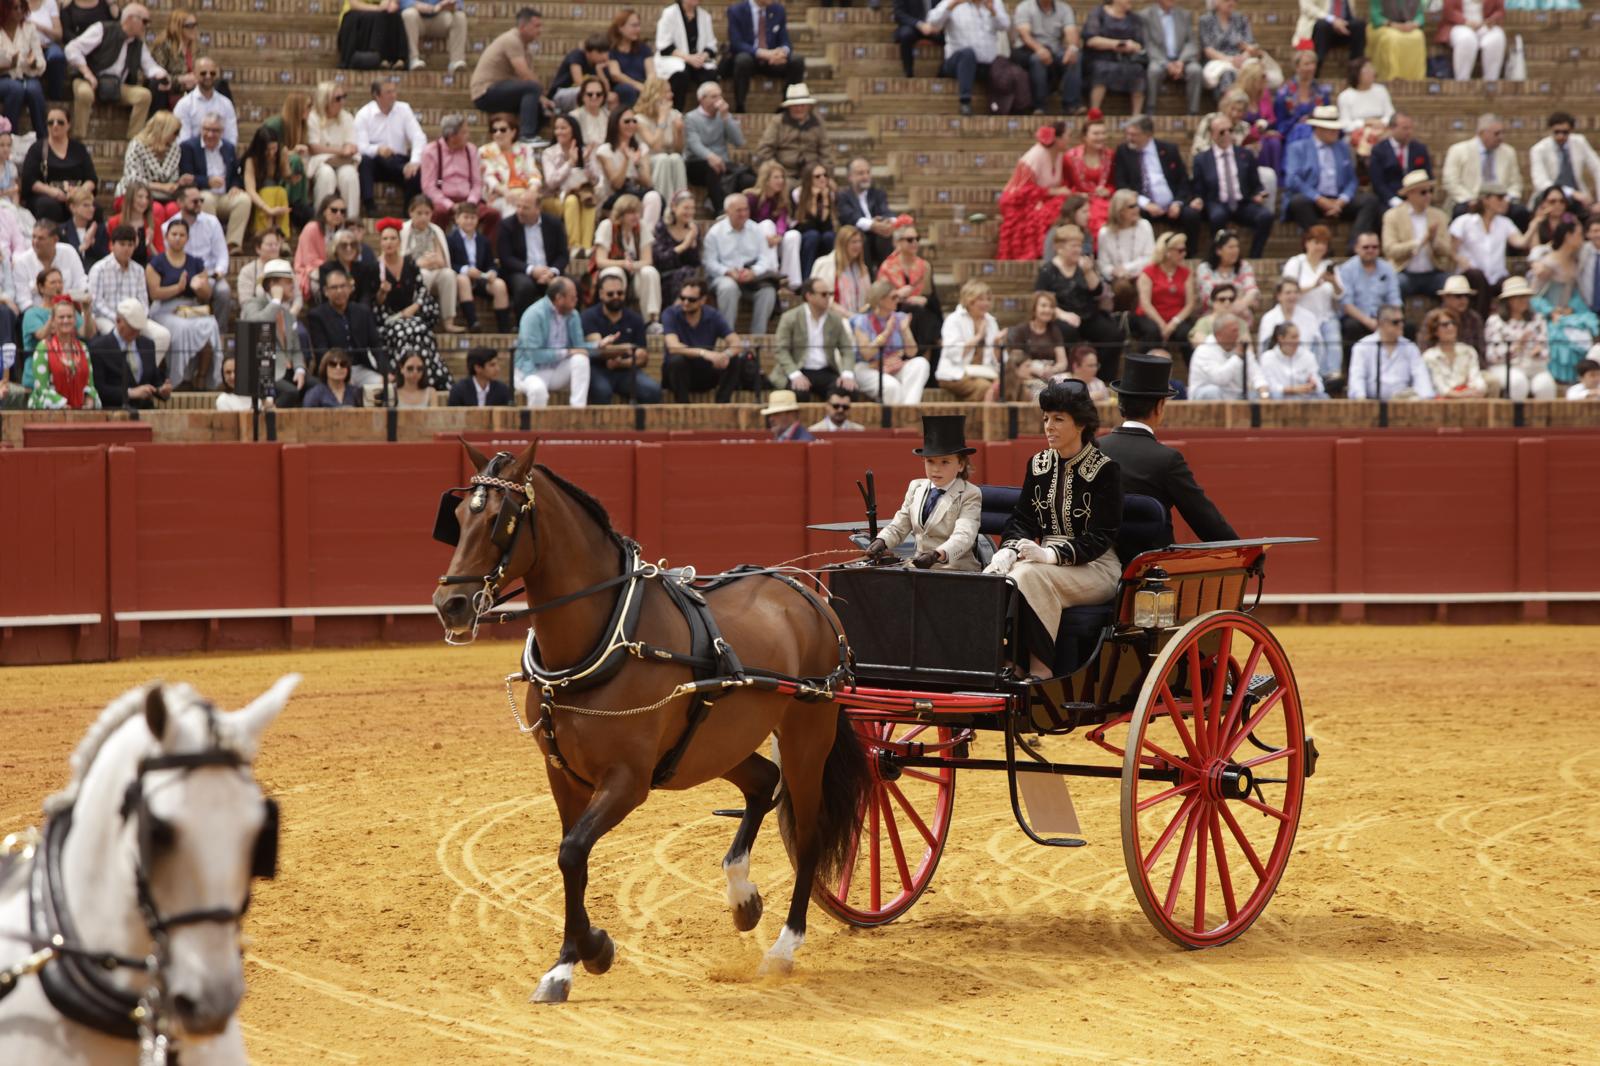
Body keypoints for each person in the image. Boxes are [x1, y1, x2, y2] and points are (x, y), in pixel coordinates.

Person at [984, 379, 1122, 677]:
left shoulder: (1104, 469)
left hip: (1097, 568)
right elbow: (1022, 519)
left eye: (1059, 419)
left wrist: (1050, 555)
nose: (1049, 426)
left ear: (1082, 423)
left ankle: (1036, 670)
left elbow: (1100, 537)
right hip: (1041, 560)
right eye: (1046, 418)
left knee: (1027, 574)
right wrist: (1008, 550)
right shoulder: (1038, 464)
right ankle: (1010, 666)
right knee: (1008, 574)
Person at [1097, 351, 1235, 550]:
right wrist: (1243, 550)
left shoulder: (1095, 449)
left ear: (1120, 406)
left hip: (1098, 561)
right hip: (1151, 567)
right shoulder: (1166, 459)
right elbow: (1204, 518)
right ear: (1160, 407)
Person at [866, 415, 983, 571]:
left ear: (961, 464)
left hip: (956, 570)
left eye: (945, 462)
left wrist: (937, 554)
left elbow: (964, 536)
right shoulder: (916, 487)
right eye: (930, 461)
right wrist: (882, 540)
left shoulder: (970, 493)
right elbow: (900, 525)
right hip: (918, 568)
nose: (936, 469)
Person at [65, 4, 169, 140]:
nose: (147, 26)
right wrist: (87, 73)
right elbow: (72, 48)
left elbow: (150, 67)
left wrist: (163, 75)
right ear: (131, 19)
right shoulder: (102, 29)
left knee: (144, 96)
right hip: (90, 81)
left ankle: (134, 140)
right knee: (84, 93)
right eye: (144, 21)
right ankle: (79, 138)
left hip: (116, 86)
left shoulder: (138, 44)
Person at [1282, 105, 1380, 245]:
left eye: (1336, 129)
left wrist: (1342, 200)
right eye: (1331, 129)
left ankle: (1355, 246)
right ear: (1319, 129)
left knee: (1370, 201)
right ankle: (1321, 245)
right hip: (1312, 199)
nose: (1335, 132)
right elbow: (1293, 180)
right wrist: (1320, 199)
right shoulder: (1298, 148)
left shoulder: (1343, 148)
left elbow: (1352, 179)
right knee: (1298, 202)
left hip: (1338, 199)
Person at [145, 215, 223, 390]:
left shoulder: (195, 262)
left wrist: (199, 287)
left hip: (191, 308)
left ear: (187, 238)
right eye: (174, 234)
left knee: (211, 325)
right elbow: (154, 292)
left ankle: (202, 376)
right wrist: (178, 288)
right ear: (167, 237)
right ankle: (178, 377)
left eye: (182, 235)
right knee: (181, 328)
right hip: (165, 310)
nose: (178, 238)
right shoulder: (156, 263)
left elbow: (207, 294)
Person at [1034, 222, 1123, 371]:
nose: (1078, 250)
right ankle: (1071, 376)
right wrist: (1063, 314)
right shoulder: (1047, 270)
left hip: (1088, 315)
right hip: (1061, 315)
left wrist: (1088, 272)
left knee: (1113, 334)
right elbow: (1040, 298)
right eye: (1073, 246)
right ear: (1059, 248)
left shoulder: (1084, 266)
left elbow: (1097, 291)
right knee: (1068, 332)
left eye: (1079, 245)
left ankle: (1101, 375)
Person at [374, 217, 450, 390]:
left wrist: (414, 307)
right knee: (405, 332)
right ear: (380, 242)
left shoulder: (409, 263)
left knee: (421, 330)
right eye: (385, 239)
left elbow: (422, 288)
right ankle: (403, 378)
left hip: (413, 314)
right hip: (389, 319)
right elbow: (375, 302)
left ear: (399, 241)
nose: (389, 242)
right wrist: (382, 293)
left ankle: (431, 377)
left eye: (393, 238)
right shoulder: (375, 267)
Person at [659, 273, 758, 402]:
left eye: (691, 300)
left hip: (705, 374)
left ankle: (722, 404)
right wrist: (704, 353)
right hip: (677, 376)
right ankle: (683, 407)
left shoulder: (712, 315)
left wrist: (725, 355)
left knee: (734, 360)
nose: (685, 302)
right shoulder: (670, 313)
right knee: (676, 361)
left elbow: (736, 343)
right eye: (682, 298)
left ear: (703, 300)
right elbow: (673, 347)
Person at [1112, 115, 1201, 250]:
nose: (1130, 138)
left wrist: (1177, 203)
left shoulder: (1169, 149)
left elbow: (1183, 180)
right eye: (1128, 134)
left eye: (1134, 135)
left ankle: (1189, 254)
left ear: (1148, 134)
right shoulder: (1123, 151)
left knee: (1192, 215)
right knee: (1130, 214)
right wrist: (1145, 204)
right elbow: (1122, 184)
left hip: (1172, 205)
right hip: (1143, 205)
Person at [1448, 181, 1534, 319]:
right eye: (1499, 198)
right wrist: (1459, 259)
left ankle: (1513, 324)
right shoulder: (1464, 222)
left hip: (1496, 276)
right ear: (1486, 200)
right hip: (1472, 276)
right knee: (1478, 278)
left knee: (1511, 285)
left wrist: (1535, 223)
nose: (1504, 202)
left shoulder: (1505, 223)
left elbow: (1521, 243)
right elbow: (1451, 249)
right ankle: (1481, 323)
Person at [1529, 219, 1599, 385]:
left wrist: (1571, 309)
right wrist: (1551, 311)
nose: (1582, 238)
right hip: (1549, 314)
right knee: (1560, 335)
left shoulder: (1576, 260)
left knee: (1587, 326)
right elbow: (1533, 295)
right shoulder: (1547, 263)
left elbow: (1574, 293)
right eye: (1579, 234)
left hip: (1570, 312)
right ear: (1568, 236)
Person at [1192, 117, 1272, 258]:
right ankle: (1216, 256)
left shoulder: (1245, 155)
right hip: (1216, 201)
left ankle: (1255, 256)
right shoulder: (1202, 159)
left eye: (1231, 130)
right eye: (1222, 132)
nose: (1227, 134)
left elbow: (1256, 184)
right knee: (1218, 216)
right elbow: (1198, 188)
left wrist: (1259, 194)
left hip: (1243, 203)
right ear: (1212, 134)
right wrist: (1198, 199)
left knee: (1265, 216)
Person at [88, 222, 171, 356]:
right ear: (112, 245)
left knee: (163, 335)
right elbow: (96, 303)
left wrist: (138, 320)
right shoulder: (99, 269)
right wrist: (120, 320)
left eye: (130, 245)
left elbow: (143, 302)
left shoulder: (138, 270)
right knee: (116, 336)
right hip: (106, 318)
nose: (126, 249)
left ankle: (145, 373)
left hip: (135, 319)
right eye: (122, 244)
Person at [582, 266, 662, 404]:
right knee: (602, 391)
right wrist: (628, 348)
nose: (616, 297)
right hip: (598, 369)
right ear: (601, 294)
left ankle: (641, 424)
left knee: (653, 390)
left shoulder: (635, 318)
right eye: (610, 294)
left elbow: (643, 358)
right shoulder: (589, 316)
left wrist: (621, 363)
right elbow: (600, 350)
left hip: (626, 371)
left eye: (620, 293)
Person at [769, 274, 854, 400]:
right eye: (824, 294)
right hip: (799, 368)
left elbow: (846, 349)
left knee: (846, 391)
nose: (828, 298)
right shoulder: (790, 318)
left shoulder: (835, 319)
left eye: (830, 294)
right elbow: (781, 350)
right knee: (798, 394)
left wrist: (847, 374)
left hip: (826, 370)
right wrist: (795, 374)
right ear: (809, 296)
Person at [469, 7, 548, 142]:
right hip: (485, 92)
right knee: (533, 88)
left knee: (542, 109)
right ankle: (527, 136)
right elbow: (525, 75)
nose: (540, 30)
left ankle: (520, 140)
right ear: (523, 26)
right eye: (536, 26)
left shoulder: (525, 48)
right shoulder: (512, 40)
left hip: (502, 90)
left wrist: (543, 100)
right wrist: (541, 94)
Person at [704, 191, 778, 334]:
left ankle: (758, 336)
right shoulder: (715, 233)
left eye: (746, 210)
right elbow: (709, 263)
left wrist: (754, 272)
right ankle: (727, 333)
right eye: (739, 210)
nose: (744, 214)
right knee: (728, 287)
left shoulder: (755, 229)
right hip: (724, 277)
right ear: (728, 212)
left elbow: (764, 258)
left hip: (750, 278)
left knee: (768, 292)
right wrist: (727, 272)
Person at [163, 185, 233, 333]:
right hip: (181, 277)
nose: (199, 204)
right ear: (180, 203)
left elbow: (222, 255)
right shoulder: (168, 227)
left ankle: (219, 334)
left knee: (224, 291)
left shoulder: (212, 222)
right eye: (194, 201)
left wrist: (216, 274)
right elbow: (166, 257)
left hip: (210, 275)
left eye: (201, 200)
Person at [238, 257, 307, 407]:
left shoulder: (287, 313)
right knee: (290, 392)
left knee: (315, 387)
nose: (292, 286)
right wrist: (275, 301)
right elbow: (257, 325)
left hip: (290, 371)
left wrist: (300, 369)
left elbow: (296, 349)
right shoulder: (253, 303)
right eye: (288, 282)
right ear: (273, 284)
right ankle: (268, 417)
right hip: (267, 373)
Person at [178, 111, 251, 253]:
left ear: (222, 132)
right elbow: (186, 176)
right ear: (201, 129)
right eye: (207, 130)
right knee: (206, 199)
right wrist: (207, 181)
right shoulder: (189, 147)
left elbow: (236, 174)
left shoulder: (228, 148)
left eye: (215, 131)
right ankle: (213, 244)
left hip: (225, 195)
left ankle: (233, 244)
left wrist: (235, 186)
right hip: (203, 192)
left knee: (244, 200)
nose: (210, 134)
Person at [513, 275, 591, 406]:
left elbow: (579, 348)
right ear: (559, 298)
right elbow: (534, 355)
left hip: (557, 371)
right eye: (573, 297)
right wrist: (567, 352)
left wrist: (599, 345)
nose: (576, 301)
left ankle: (578, 411)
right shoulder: (534, 314)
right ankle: (535, 426)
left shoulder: (573, 315)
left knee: (581, 360)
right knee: (538, 390)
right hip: (531, 371)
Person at [998, 122, 1071, 262]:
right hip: (1020, 201)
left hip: (1044, 199)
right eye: (1068, 136)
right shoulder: (1035, 156)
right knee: (1042, 215)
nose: (1069, 139)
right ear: (1058, 139)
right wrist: (1053, 191)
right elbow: (1022, 191)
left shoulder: (1060, 155)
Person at [851, 279, 931, 406]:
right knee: (892, 387)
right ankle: (897, 419)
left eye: (898, 296)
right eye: (894, 297)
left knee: (921, 363)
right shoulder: (862, 320)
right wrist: (886, 333)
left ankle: (908, 410)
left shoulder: (900, 318)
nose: (897, 300)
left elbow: (911, 352)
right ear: (880, 299)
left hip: (894, 366)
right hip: (868, 368)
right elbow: (867, 354)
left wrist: (905, 331)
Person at [926, 0, 1013, 117]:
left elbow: (1005, 25)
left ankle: (1003, 107)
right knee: (968, 54)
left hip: (985, 63)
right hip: (957, 63)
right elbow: (932, 22)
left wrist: (993, 11)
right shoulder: (951, 2)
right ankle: (965, 102)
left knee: (1003, 66)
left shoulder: (994, 2)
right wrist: (952, 5)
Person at [355, 79, 426, 215]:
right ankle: (369, 206)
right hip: (376, 163)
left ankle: (408, 212)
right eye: (388, 92)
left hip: (399, 161)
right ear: (377, 95)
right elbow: (360, 146)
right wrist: (378, 149)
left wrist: (414, 162)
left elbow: (418, 137)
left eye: (394, 91)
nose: (393, 95)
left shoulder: (404, 109)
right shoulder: (364, 114)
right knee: (365, 161)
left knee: (416, 172)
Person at [1441, 114, 1526, 226]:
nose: (1501, 137)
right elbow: (1451, 182)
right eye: (1497, 133)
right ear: (1482, 133)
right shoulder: (1458, 150)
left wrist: (1507, 199)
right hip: (1470, 199)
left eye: (1502, 133)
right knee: (1460, 212)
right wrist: (1470, 200)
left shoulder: (1508, 152)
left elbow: (1516, 183)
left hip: (1500, 200)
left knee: (1521, 212)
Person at [306, 267, 385, 386]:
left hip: (362, 367)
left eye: (343, 286)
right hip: (335, 369)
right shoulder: (317, 316)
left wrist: (386, 371)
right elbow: (322, 352)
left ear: (349, 288)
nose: (339, 291)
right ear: (326, 291)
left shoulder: (362, 311)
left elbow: (376, 345)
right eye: (334, 287)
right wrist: (340, 373)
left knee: (383, 385)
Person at [878, 217, 944, 359]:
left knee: (925, 314)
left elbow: (933, 299)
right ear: (898, 242)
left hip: (922, 312)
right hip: (896, 310)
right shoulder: (887, 267)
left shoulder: (924, 266)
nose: (914, 243)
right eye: (909, 239)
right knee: (916, 314)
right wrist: (901, 296)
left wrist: (924, 300)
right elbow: (880, 297)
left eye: (917, 239)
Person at [1383, 169, 1454, 300]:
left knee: (1453, 286)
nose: (1428, 196)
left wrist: (1433, 241)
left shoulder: (1439, 216)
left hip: (1433, 273)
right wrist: (1419, 242)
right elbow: (1390, 250)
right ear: (1410, 194)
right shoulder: (1392, 216)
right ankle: (1397, 320)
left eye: (1430, 191)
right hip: (1404, 272)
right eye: (1423, 192)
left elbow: (1447, 250)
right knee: (1395, 284)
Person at [498, 187, 570, 316]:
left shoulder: (554, 224)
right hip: (522, 272)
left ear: (538, 209)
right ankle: (524, 327)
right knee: (524, 286)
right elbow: (506, 258)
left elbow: (563, 255)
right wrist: (532, 270)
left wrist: (552, 272)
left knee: (571, 285)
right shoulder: (507, 225)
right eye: (518, 206)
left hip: (550, 271)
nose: (520, 211)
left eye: (525, 208)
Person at [594, 192, 662, 324]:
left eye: (637, 212)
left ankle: (652, 320)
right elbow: (600, 261)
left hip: (634, 274)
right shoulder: (607, 226)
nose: (636, 216)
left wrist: (632, 265)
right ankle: (616, 315)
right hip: (612, 270)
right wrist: (622, 264)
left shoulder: (641, 227)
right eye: (631, 212)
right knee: (615, 273)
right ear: (621, 213)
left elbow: (648, 260)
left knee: (650, 272)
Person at [20, 102, 94, 222]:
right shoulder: (37, 148)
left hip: (76, 195)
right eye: (51, 122)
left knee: (93, 208)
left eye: (60, 122)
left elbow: (91, 178)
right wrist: (52, 192)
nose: (55, 125)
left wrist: (79, 193)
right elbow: (29, 180)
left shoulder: (79, 149)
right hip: (47, 195)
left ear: (68, 125)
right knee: (48, 206)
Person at [88, 297, 167, 409]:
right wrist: (130, 393)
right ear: (119, 321)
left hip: (146, 412)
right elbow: (99, 389)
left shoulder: (147, 345)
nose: (136, 332)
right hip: (114, 413)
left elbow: (154, 379)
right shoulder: (99, 347)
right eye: (132, 328)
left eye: (138, 329)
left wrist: (162, 390)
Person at [728, 0, 805, 114]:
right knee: (742, 60)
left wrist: (782, 52)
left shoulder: (778, 10)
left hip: (773, 60)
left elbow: (785, 40)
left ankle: (786, 105)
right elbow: (736, 43)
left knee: (797, 60)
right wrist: (763, 53)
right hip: (751, 58)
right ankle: (740, 106)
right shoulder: (736, 10)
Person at [1483, 275, 1553, 399]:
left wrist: (1538, 352)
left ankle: (1541, 418)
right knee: (1518, 382)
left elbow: (1546, 352)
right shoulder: (1495, 321)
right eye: (1518, 297)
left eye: (1525, 297)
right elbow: (1492, 356)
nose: (1523, 300)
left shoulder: (1538, 319)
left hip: (1534, 366)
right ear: (1508, 301)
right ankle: (1517, 418)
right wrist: (1517, 345)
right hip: (1505, 366)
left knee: (1545, 385)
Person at [684, 81, 750, 210]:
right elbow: (694, 144)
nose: (718, 100)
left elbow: (739, 142)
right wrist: (710, 156)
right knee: (712, 168)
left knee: (748, 179)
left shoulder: (724, 116)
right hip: (697, 164)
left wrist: (726, 117)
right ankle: (720, 211)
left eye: (720, 96)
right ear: (702, 99)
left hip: (723, 164)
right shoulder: (691, 118)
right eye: (714, 96)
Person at [448, 201, 512, 332]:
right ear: (457, 219)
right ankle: (473, 322)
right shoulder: (450, 239)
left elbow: (491, 263)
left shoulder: (483, 240)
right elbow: (449, 263)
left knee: (499, 285)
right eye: (466, 217)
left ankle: (504, 329)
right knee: (463, 279)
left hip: (480, 278)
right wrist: (465, 270)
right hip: (461, 279)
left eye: (473, 218)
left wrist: (492, 272)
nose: (469, 221)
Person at [1336, 229, 1399, 358]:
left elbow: (1394, 299)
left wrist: (1388, 320)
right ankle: (1350, 372)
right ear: (1356, 248)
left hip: (1383, 317)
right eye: (1366, 247)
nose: (1370, 250)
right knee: (1351, 327)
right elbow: (1347, 305)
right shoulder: (1347, 269)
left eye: (1374, 247)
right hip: (1358, 317)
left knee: (1406, 326)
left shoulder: (1387, 268)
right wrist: (1369, 322)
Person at [1012, 0, 1082, 115]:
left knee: (1075, 57)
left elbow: (1071, 31)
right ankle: (1039, 106)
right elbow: (1025, 35)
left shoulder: (1065, 8)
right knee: (1037, 59)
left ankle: (1071, 105)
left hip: (1054, 50)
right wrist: (1039, 49)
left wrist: (1072, 48)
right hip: (1028, 50)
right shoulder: (1024, 7)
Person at [1348, 304, 1432, 399]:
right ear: (1382, 323)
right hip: (1372, 404)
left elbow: (1420, 376)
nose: (1401, 325)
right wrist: (1361, 400)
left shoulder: (1410, 347)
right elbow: (1357, 377)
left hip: (1404, 404)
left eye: (1402, 321)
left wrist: (1425, 398)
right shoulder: (1363, 346)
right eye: (1396, 322)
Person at [1131, 231, 1195, 356]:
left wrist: (1173, 323)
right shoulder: (1148, 272)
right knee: (1153, 332)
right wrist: (1162, 324)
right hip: (1151, 317)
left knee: (1185, 333)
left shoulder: (1186, 273)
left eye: (1184, 250)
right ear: (1167, 252)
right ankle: (1140, 369)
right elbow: (1145, 303)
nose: (1184, 254)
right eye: (1180, 250)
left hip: (1176, 318)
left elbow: (1190, 304)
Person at [26, 294, 96, 407]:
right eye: (61, 317)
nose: (66, 320)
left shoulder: (82, 348)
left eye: (69, 316)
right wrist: (62, 406)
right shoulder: (43, 347)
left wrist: (89, 401)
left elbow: (90, 384)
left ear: (75, 320)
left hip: (81, 410)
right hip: (51, 414)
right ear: (53, 321)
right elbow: (41, 388)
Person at [937, 278, 1001, 401]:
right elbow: (952, 353)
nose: (986, 303)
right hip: (956, 373)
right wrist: (978, 337)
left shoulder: (991, 321)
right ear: (969, 301)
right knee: (984, 387)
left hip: (984, 372)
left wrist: (997, 344)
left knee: (1005, 385)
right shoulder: (954, 320)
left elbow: (997, 359)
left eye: (988, 299)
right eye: (981, 299)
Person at [307, 81, 363, 223]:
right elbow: (314, 147)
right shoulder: (313, 118)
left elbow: (351, 144)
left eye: (343, 97)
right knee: (326, 175)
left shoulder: (346, 117)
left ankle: (351, 221)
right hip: (320, 161)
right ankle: (322, 221)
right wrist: (340, 150)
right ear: (325, 100)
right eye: (337, 98)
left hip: (342, 162)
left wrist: (346, 150)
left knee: (350, 175)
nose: (342, 102)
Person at [753, 83, 828, 182]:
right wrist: (775, 170)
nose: (799, 109)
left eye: (802, 105)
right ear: (789, 107)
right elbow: (765, 149)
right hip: (785, 174)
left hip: (813, 174)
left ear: (808, 106)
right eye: (795, 106)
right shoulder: (777, 122)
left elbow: (825, 151)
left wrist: (826, 174)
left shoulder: (818, 123)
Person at [1083, 0, 1146, 115]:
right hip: (1101, 57)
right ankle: (1094, 112)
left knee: (1138, 70)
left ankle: (1136, 115)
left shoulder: (1134, 18)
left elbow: (1140, 44)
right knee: (1101, 69)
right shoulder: (1098, 13)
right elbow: (1091, 40)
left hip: (1126, 59)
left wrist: (1132, 46)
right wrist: (1118, 44)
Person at [1003, 290, 1069, 401]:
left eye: (1051, 307)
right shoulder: (1021, 330)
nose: (1048, 310)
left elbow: (1063, 362)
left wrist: (1053, 370)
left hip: (1050, 374)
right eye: (1043, 306)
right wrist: (1037, 370)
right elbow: (1016, 361)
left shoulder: (1055, 331)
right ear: (1034, 308)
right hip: (1030, 375)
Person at [655, 0, 719, 112]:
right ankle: (676, 112)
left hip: (698, 61)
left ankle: (709, 112)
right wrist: (688, 58)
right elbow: (664, 45)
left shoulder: (705, 16)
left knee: (710, 75)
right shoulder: (669, 13)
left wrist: (702, 57)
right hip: (676, 59)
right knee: (681, 75)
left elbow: (711, 44)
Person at [1531, 112, 1600, 214]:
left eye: (1565, 132)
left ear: (1571, 130)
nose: (1560, 136)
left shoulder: (1579, 142)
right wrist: (1571, 192)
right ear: (1550, 130)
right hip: (1550, 196)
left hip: (1578, 198)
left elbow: (1597, 168)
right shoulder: (1539, 149)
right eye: (1556, 132)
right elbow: (1541, 182)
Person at [745, 160, 800, 290]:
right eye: (776, 177)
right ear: (766, 179)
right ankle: (772, 272)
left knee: (793, 235)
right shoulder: (751, 197)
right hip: (754, 242)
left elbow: (782, 221)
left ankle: (791, 281)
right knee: (767, 224)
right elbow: (745, 223)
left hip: (773, 241)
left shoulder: (781, 199)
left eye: (782, 177)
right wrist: (763, 236)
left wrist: (779, 236)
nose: (780, 181)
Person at [1096, 187, 1154, 310]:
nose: (1137, 209)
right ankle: (1123, 322)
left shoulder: (1145, 226)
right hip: (1118, 279)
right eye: (1131, 206)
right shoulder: (1105, 233)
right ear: (1119, 210)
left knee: (1144, 283)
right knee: (1122, 287)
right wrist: (1115, 272)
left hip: (1142, 274)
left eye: (1137, 205)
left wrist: (1127, 269)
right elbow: (1103, 264)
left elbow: (1150, 257)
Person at [1140, 0, 1200, 116]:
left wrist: (1181, 61)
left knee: (1195, 70)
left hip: (1182, 59)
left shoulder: (1184, 14)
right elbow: (1148, 44)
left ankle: (1193, 113)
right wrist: (1166, 64)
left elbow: (1191, 43)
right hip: (1159, 59)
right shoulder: (1146, 15)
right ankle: (1150, 111)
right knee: (1153, 71)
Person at [634, 77, 687, 205]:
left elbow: (678, 150)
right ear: (655, 95)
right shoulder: (639, 119)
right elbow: (656, 147)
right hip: (648, 160)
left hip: (670, 159)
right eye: (667, 92)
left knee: (676, 158)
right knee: (663, 158)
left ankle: (682, 204)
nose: (671, 95)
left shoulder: (675, 115)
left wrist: (679, 132)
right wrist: (662, 119)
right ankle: (664, 206)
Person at [1188, 312, 1266, 400]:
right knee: (1213, 391)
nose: (1238, 334)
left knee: (1260, 395)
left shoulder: (1241, 346)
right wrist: (1237, 357)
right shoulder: (1204, 350)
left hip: (1236, 394)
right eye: (1234, 330)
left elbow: (1256, 373)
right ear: (1219, 334)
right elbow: (1219, 379)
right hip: (1205, 395)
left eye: (1238, 330)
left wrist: (1263, 391)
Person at [1198, 0, 1266, 100]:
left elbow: (1250, 44)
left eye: (1234, 0)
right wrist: (1230, 60)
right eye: (1226, 0)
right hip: (1218, 61)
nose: (1231, 3)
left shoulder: (1241, 19)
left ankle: (1252, 107)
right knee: (1227, 73)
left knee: (1253, 71)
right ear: (1216, 2)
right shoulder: (1206, 20)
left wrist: (1243, 56)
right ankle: (1230, 107)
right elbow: (1208, 49)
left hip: (1241, 59)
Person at [836, 157, 895, 273]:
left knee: (885, 235)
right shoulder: (843, 196)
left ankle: (885, 275)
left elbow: (886, 212)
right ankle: (867, 277)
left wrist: (888, 222)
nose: (866, 176)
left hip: (878, 237)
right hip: (857, 236)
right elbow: (851, 217)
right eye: (860, 173)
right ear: (850, 177)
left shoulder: (878, 193)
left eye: (868, 172)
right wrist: (873, 225)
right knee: (861, 237)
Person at [0, 0, 47, 137]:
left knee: (34, 90)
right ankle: (8, 137)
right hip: (3, 77)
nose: (19, 11)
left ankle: (42, 138)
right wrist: (7, 65)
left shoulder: (29, 28)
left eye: (22, 7)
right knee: (15, 89)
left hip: (26, 75)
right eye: (15, 8)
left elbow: (41, 62)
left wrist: (34, 63)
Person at [1420, 306, 1487, 398]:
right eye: (1445, 325)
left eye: (1453, 323)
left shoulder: (1468, 351)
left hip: (1469, 397)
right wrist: (1459, 395)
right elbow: (1439, 387)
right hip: (1442, 402)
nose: (1450, 327)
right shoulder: (1429, 356)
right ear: (1435, 331)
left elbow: (1476, 378)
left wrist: (1475, 390)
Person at [653, 186, 703, 308]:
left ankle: (679, 310)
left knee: (687, 273)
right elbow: (660, 260)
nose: (690, 212)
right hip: (664, 275)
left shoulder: (693, 229)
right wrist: (685, 245)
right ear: (674, 207)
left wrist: (693, 244)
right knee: (684, 274)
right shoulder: (662, 227)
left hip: (687, 277)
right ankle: (674, 312)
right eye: (686, 208)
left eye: (692, 208)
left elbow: (695, 263)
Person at [1195, 228, 1258, 320]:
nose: (1235, 250)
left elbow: (1252, 291)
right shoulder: (1204, 268)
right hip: (1212, 316)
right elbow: (1209, 295)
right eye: (1231, 247)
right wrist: (1237, 297)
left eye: (1237, 247)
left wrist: (1242, 304)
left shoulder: (1244, 266)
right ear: (1218, 250)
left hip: (1239, 315)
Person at [1336, 57, 1392, 158]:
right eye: (1367, 70)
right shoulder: (1345, 96)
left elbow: (1390, 114)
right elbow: (1345, 124)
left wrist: (1381, 123)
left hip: (1381, 130)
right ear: (1357, 74)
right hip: (1357, 133)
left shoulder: (1381, 90)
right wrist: (1365, 123)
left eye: (1372, 69)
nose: (1372, 73)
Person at [1438, 0, 1504, 83]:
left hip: (1484, 25)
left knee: (1497, 38)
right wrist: (1465, 22)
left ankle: (1491, 82)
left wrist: (1492, 19)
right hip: (1459, 25)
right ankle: (1462, 81)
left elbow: (1500, 11)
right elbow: (1448, 11)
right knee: (1467, 39)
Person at [792, 160, 837, 283]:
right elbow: (807, 224)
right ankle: (807, 280)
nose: (822, 179)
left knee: (829, 236)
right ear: (809, 179)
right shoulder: (798, 194)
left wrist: (825, 200)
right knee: (813, 236)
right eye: (817, 176)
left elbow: (826, 226)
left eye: (825, 175)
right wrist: (812, 199)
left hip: (822, 233)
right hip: (805, 233)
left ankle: (829, 279)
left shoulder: (830, 194)